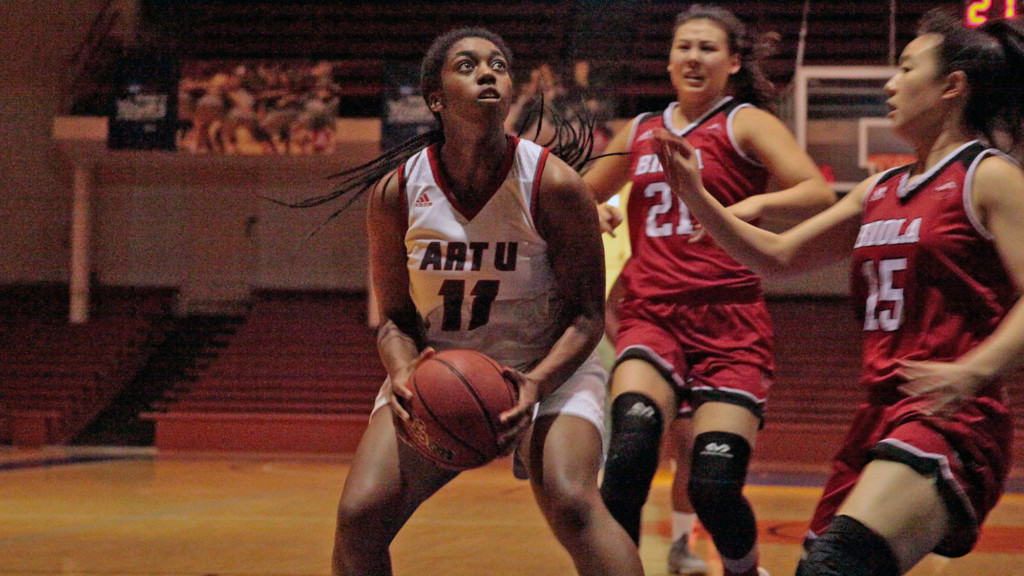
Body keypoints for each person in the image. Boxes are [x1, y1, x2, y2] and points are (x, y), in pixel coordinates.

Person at [653, 9, 1024, 576]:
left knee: (838, 564)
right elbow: (778, 258)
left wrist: (975, 369)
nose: (890, 83)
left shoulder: (989, 176)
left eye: (905, 68)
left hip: (953, 418)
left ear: (953, 86)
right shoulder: (881, 188)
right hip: (878, 417)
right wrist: (699, 196)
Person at [327, 27, 644, 576]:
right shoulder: (397, 192)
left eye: (497, 64)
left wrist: (537, 383)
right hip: (440, 371)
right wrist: (402, 373)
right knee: (359, 515)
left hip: (550, 370)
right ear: (435, 97)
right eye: (468, 65)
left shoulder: (555, 185)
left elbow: (589, 317)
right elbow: (395, 320)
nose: (487, 72)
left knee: (572, 503)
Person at [582, 5, 836, 576]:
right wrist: (592, 208)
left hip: (730, 321)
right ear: (670, 59)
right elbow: (576, 192)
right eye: (684, 47)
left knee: (715, 486)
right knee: (628, 456)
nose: (693, 58)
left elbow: (817, 195)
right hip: (652, 316)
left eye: (708, 48)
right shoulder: (644, 129)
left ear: (734, 61)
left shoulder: (744, 122)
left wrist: (754, 204)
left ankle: (743, 569)